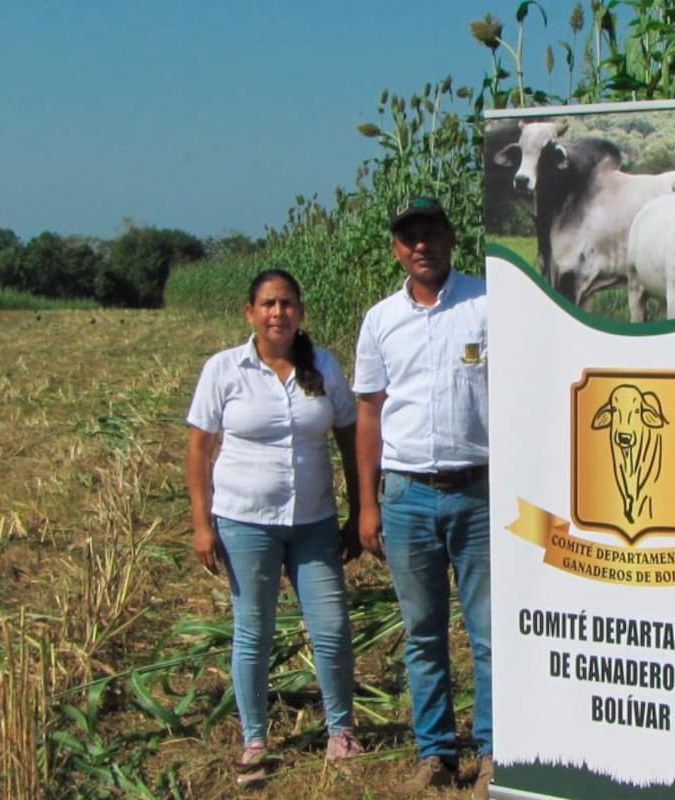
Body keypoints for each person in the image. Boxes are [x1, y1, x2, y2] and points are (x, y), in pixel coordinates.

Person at [186, 269, 364, 786]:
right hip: (245, 522)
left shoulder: (323, 366)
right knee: (253, 630)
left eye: (287, 304)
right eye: (268, 304)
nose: (278, 313)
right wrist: (202, 523)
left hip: (313, 521)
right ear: (250, 313)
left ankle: (342, 730)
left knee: (331, 627)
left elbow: (350, 439)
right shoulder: (224, 370)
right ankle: (255, 738)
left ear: (300, 312)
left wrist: (357, 511)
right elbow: (199, 447)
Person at [353, 197, 492, 798]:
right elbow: (368, 413)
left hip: (480, 491)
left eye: (431, 233)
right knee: (424, 633)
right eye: (409, 237)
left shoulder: (490, 303)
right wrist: (367, 502)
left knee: (488, 633)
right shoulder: (381, 319)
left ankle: (492, 752)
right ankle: (435, 754)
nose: (421, 245)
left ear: (449, 239)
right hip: (407, 493)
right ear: (395, 248)